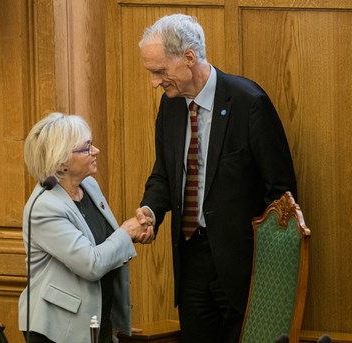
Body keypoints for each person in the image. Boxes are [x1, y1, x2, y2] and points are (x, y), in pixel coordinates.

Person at [135, 14, 298, 342]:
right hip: (191, 261)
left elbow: (281, 194)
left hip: (243, 267)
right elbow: (164, 174)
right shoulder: (170, 107)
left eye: (160, 71)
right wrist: (151, 210)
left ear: (189, 59)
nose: (155, 82)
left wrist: (270, 270)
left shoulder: (248, 102)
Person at [19, 112, 149, 343]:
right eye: (86, 147)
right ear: (61, 161)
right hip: (59, 328)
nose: (96, 150)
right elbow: (91, 264)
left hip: (98, 318)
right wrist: (126, 233)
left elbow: (105, 240)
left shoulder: (88, 185)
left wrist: (137, 233)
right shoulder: (44, 207)